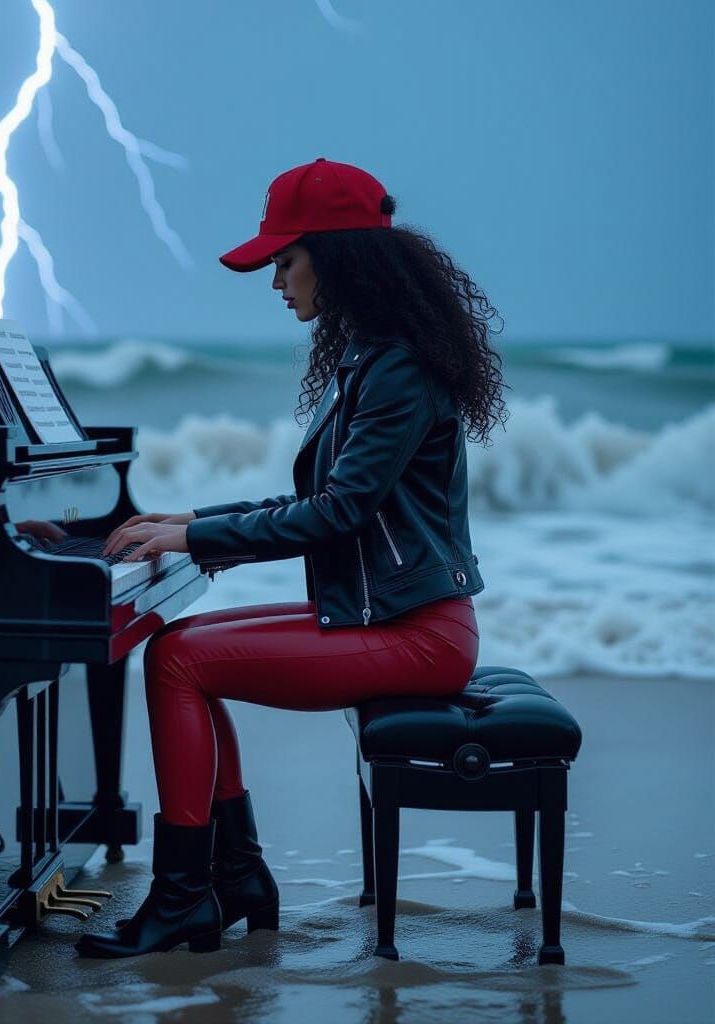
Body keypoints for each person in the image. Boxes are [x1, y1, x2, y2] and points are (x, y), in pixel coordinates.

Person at [75, 157, 508, 959]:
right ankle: (236, 876)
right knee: (176, 650)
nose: (276, 280)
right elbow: (327, 502)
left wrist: (197, 540)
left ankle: (183, 901)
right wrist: (194, 519)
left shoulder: (399, 370)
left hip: (419, 634)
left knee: (178, 666)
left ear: (337, 258)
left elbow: (337, 514)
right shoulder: (376, 359)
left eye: (285, 259)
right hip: (390, 613)